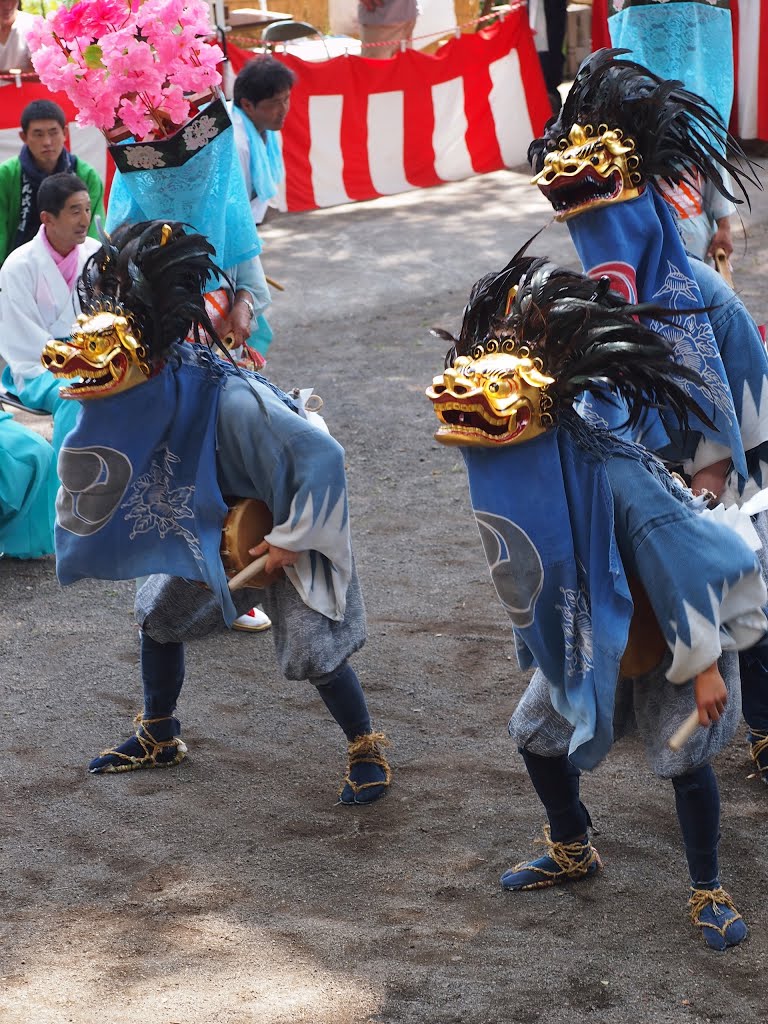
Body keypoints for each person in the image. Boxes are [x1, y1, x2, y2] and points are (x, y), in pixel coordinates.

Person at [427, 251, 768, 949]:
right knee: (536, 737)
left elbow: (701, 559)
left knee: (685, 761)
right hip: (590, 628)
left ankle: (708, 886)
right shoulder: (525, 455)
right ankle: (572, 846)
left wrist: (705, 665)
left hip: (669, 628)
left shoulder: (614, 473)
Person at [41, 219, 392, 805]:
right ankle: (159, 733)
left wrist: (290, 540)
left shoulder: (232, 401)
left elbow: (323, 456)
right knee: (158, 615)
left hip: (287, 515)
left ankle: (366, 747)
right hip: (213, 514)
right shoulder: (150, 384)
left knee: (314, 649)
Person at [529, 51, 768, 783]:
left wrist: (699, 496)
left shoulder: (692, 289)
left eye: (606, 224)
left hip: (733, 447)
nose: (595, 245)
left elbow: (720, 418)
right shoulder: (597, 290)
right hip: (664, 466)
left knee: (745, 571)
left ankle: (760, 726)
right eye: (581, 228)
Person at [0, 172, 100, 473]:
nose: (84, 218)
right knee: (77, 393)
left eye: (86, 208)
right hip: (39, 367)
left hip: (94, 357)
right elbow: (20, 337)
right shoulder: (18, 265)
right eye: (74, 211)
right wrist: (75, 357)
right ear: (48, 218)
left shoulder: (96, 254)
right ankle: (65, 484)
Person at [0, 100, 105, 266]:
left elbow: (92, 233)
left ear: (65, 133)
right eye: (38, 134)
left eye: (53, 132)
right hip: (18, 266)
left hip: (76, 267)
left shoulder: (86, 175)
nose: (47, 142)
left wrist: (90, 270)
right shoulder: (6, 175)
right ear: (24, 136)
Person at [231, 55, 295, 227]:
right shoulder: (237, 143)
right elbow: (234, 206)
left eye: (286, 99)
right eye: (275, 103)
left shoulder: (268, 128)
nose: (283, 110)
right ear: (247, 105)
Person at [0, 0, 33, 72]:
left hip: (23, 82)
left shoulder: (31, 24)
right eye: (2, 1)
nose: (7, 6)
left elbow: (37, 71)